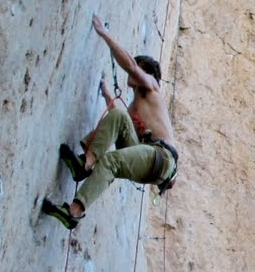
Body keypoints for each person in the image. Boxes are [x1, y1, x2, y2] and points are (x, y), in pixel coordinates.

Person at [40, 14, 179, 230]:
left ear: (148, 73)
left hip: (161, 157)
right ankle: (84, 163)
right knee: (119, 116)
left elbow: (131, 67)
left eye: (141, 68)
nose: (135, 71)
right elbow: (119, 123)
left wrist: (104, 33)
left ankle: (74, 212)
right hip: (150, 157)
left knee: (110, 162)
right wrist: (106, 93)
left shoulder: (152, 87)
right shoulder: (136, 106)